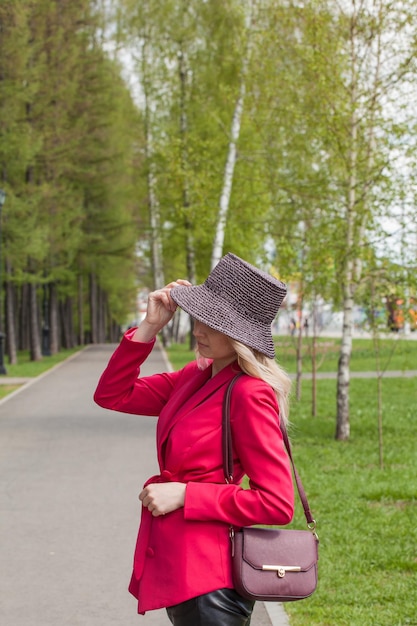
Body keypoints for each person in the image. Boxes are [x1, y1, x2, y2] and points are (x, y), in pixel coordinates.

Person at [94, 252, 295, 625]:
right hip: (182, 568)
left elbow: (277, 503)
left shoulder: (249, 393)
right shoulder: (195, 376)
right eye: (199, 317)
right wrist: (149, 327)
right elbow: (112, 394)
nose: (199, 331)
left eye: (214, 324)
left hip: (212, 583)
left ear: (240, 334)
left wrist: (186, 493)